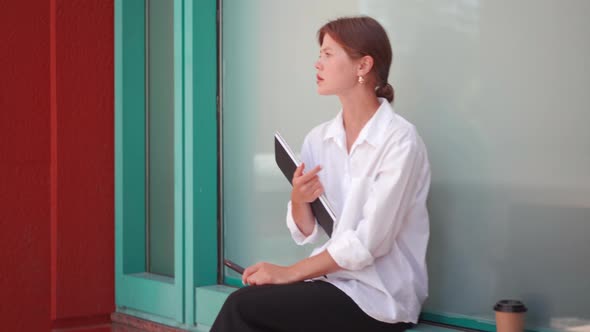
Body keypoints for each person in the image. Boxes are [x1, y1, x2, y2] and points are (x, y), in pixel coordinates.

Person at [211, 16, 431, 332]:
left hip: (380, 298)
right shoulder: (320, 138)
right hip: (333, 283)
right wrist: (299, 199)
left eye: (328, 54)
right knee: (251, 300)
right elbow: (307, 231)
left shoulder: (399, 139)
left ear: (363, 65)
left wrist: (289, 273)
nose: (317, 64)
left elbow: (370, 243)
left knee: (242, 307)